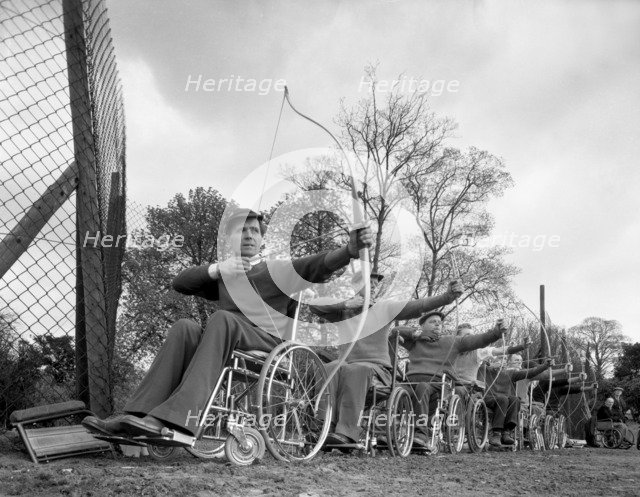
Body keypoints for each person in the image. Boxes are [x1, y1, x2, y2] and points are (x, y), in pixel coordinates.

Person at [82, 207, 372, 438]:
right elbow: (180, 283)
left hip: (267, 346)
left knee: (222, 319)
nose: (248, 235)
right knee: (186, 326)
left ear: (262, 239)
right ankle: (138, 416)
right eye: (241, 230)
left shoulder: (279, 269)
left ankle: (178, 419)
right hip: (225, 339)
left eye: (254, 230)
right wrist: (217, 269)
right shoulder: (226, 272)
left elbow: (319, 264)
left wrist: (349, 249)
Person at [310, 273, 463, 446]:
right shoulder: (344, 311)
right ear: (354, 287)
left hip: (377, 370)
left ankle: (347, 432)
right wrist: (346, 303)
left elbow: (416, 306)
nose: (374, 286)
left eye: (376, 284)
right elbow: (314, 306)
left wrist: (447, 297)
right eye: (369, 282)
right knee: (329, 367)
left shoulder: (384, 308)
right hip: (347, 365)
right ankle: (323, 427)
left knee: (357, 370)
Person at [395, 312, 507, 450]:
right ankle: (385, 432)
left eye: (439, 322)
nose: (437, 323)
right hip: (410, 382)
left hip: (437, 384)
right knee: (395, 388)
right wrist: (416, 334)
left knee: (423, 387)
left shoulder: (452, 341)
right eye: (432, 321)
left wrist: (496, 332)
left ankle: (421, 435)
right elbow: (394, 332)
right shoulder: (414, 341)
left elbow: (478, 340)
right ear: (422, 325)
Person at [482, 354, 552, 446]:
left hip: (503, 400)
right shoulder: (486, 370)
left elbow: (530, 372)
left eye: (505, 359)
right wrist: (490, 366)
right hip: (489, 398)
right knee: (503, 399)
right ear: (493, 360)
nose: (503, 361)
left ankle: (506, 432)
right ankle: (496, 434)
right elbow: (478, 362)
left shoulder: (510, 373)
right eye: (500, 359)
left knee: (515, 399)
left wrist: (545, 366)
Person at [453, 323, 529, 393]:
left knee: (458, 390)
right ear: (457, 337)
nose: (470, 338)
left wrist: (522, 347)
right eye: (467, 335)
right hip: (448, 384)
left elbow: (500, 350)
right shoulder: (449, 349)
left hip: (467, 389)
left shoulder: (478, 352)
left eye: (472, 336)